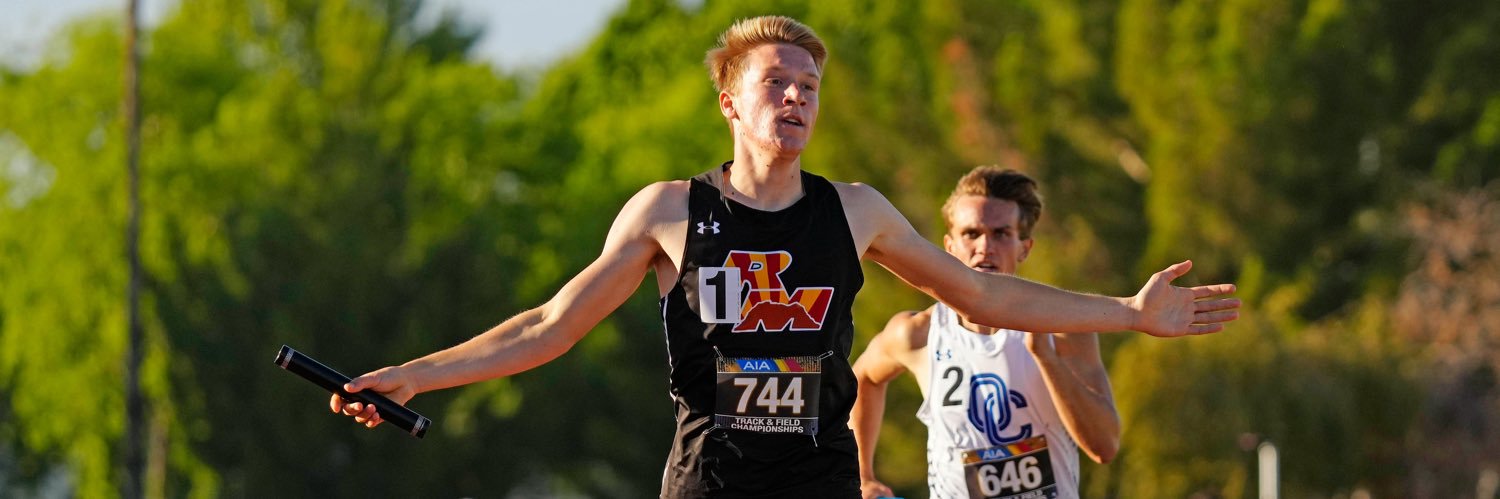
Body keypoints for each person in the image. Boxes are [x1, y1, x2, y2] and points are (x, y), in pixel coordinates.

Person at [329, 15, 1239, 498]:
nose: (798, 97)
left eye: (810, 85)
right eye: (776, 82)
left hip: (816, 481)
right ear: (730, 101)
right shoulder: (669, 212)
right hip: (707, 480)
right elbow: (547, 326)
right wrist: (413, 374)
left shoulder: (856, 211)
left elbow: (984, 295)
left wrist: (1128, 313)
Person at [852, 167, 1120, 499]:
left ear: (1025, 248)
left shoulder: (1064, 330)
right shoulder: (918, 334)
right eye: (971, 233)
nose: (984, 247)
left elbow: (1104, 447)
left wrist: (1046, 357)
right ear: (949, 246)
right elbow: (863, 379)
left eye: (1001, 234)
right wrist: (862, 475)